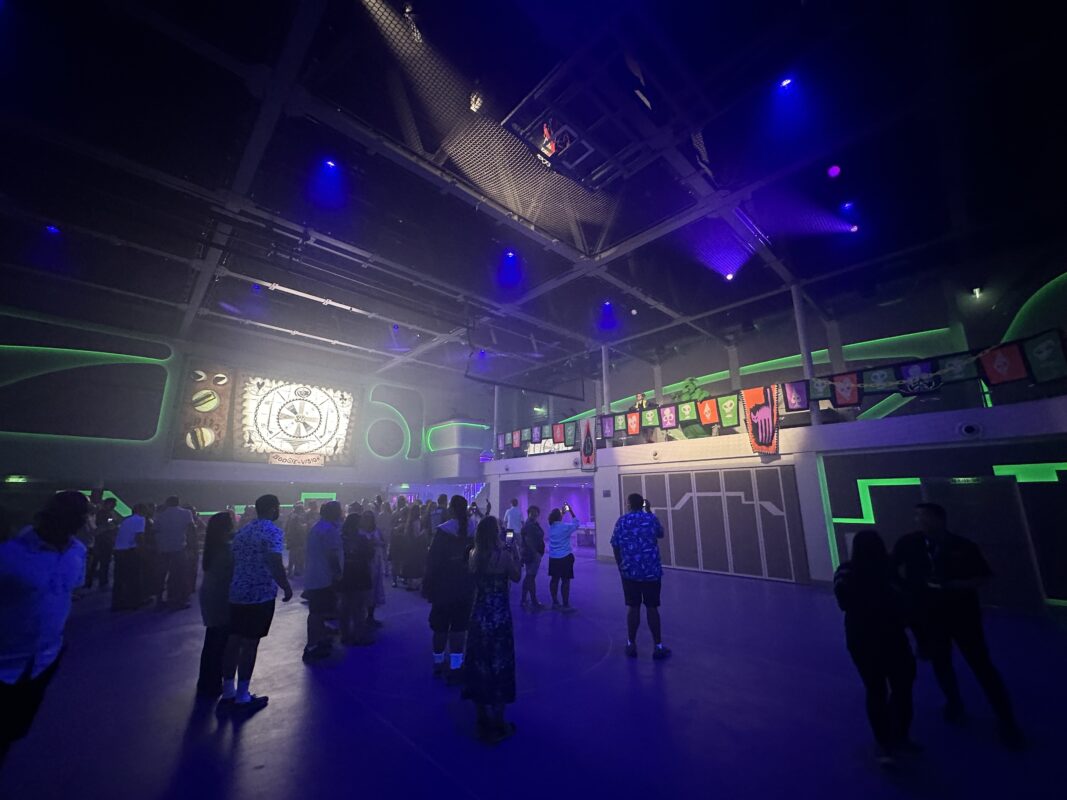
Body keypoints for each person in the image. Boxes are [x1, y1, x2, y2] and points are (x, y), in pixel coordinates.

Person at [893, 503, 1023, 747]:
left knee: (981, 665)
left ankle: (1006, 720)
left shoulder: (964, 546)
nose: (920, 521)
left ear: (940, 519)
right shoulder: (909, 543)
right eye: (918, 517)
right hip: (931, 616)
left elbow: (984, 576)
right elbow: (892, 568)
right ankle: (954, 703)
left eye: (925, 517)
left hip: (963, 616)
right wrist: (909, 590)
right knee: (941, 663)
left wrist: (956, 586)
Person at [0, 491, 89, 765]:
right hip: (5, 660)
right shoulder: (9, 553)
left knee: (12, 732)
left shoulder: (78, 551)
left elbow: (71, 589)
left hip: (44, 660)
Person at [834, 529, 917, 764]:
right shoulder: (889, 571)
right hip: (892, 638)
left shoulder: (846, 572)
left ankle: (884, 743)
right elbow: (905, 601)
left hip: (861, 639)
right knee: (901, 688)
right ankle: (899, 736)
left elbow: (843, 601)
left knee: (876, 690)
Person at [222, 494, 293, 713]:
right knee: (250, 643)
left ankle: (228, 690)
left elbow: (233, 560)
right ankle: (243, 695)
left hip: (237, 591)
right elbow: (275, 562)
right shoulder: (273, 531)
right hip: (260, 594)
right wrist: (286, 586)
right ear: (272, 509)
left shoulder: (243, 530)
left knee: (233, 640)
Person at [464, 515, 521, 743]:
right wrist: (514, 551)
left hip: (479, 614)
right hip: (499, 616)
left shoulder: (474, 554)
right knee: (500, 664)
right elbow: (516, 576)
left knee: (479, 662)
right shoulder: (503, 556)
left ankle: (481, 716)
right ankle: (498, 721)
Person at [610, 494, 671, 659]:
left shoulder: (622, 521)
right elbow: (661, 534)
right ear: (642, 504)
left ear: (629, 504)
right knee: (652, 607)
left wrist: (620, 565)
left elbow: (615, 544)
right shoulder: (651, 519)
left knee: (633, 607)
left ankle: (631, 644)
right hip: (651, 572)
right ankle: (658, 646)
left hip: (630, 572)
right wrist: (649, 511)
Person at [424, 495, 477, 683]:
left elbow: (433, 561)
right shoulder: (474, 530)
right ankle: (456, 665)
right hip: (465, 587)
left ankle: (438, 663)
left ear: (451, 509)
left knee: (440, 627)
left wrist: (428, 585)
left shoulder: (443, 531)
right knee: (459, 628)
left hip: (443, 587)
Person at [197, 512, 235, 697]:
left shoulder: (213, 547)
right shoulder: (227, 550)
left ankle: (207, 682)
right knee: (221, 642)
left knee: (212, 640)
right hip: (221, 597)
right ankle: (215, 683)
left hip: (210, 595)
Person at [302, 501, 344, 662]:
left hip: (315, 575)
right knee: (317, 613)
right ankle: (312, 645)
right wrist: (337, 573)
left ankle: (319, 640)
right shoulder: (329, 530)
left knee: (319, 612)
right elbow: (332, 554)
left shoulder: (318, 527)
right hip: (323, 577)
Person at [338, 512, 377, 646]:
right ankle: (359, 635)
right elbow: (370, 554)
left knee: (344, 605)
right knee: (359, 607)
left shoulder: (341, 537)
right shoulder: (362, 538)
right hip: (360, 573)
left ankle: (345, 634)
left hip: (344, 574)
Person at [155, 496, 196, 611]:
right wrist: (192, 547)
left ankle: (159, 600)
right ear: (178, 503)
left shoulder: (160, 515)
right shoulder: (186, 513)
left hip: (163, 548)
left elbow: (155, 531)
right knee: (180, 574)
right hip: (179, 547)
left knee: (162, 575)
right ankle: (180, 600)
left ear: (167, 503)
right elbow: (191, 530)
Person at [112, 503, 146, 610]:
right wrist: (142, 550)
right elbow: (139, 536)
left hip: (119, 550)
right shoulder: (141, 519)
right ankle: (134, 602)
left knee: (119, 578)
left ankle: (117, 602)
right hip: (130, 551)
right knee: (133, 577)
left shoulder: (126, 520)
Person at [547, 503, 581, 612]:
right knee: (565, 581)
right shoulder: (565, 527)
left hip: (553, 558)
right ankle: (565, 604)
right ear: (560, 517)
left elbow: (556, 519)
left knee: (554, 580)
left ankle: (555, 602)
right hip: (565, 557)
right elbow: (577, 523)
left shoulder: (550, 527)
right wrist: (570, 511)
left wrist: (561, 512)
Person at [87, 497, 119, 590]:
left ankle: (102, 582)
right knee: (96, 562)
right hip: (100, 541)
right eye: (112, 504)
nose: (114, 506)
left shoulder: (111, 513)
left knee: (104, 563)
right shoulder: (100, 513)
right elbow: (99, 527)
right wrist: (109, 526)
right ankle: (90, 582)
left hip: (108, 541)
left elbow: (113, 524)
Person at [519, 506, 545, 609]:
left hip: (531, 554)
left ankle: (524, 599)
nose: (534, 514)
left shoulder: (532, 524)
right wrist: (535, 553)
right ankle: (533, 600)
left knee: (529, 576)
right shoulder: (530, 525)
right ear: (529, 513)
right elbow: (528, 540)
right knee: (530, 577)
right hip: (531, 554)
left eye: (536, 512)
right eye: (532, 512)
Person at [285, 503, 308, 578]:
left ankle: (290, 571)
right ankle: (295, 571)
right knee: (297, 555)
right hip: (297, 539)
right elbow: (299, 528)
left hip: (292, 539)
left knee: (292, 555)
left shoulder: (291, 516)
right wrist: (305, 526)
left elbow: (287, 527)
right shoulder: (296, 517)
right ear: (300, 510)